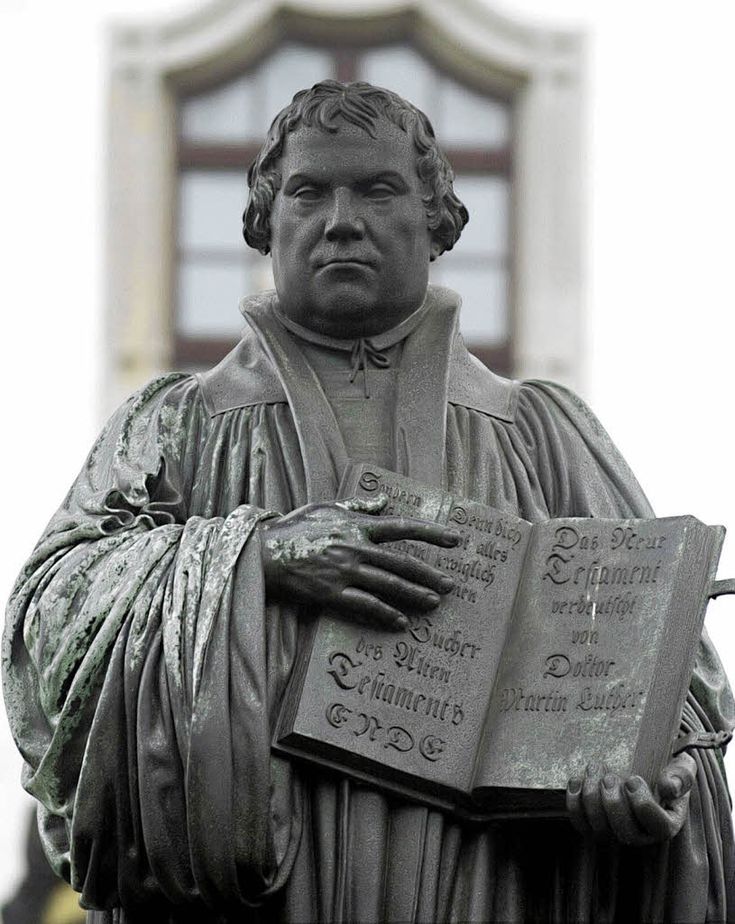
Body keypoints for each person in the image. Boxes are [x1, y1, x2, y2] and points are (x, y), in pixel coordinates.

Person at [3, 81, 733, 923]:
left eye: (378, 190)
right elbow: (45, 628)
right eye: (309, 192)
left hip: (485, 886)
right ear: (264, 225)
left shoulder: (540, 433)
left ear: (436, 223)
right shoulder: (176, 426)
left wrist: (651, 776)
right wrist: (252, 559)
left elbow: (674, 677)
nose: (340, 220)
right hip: (258, 887)